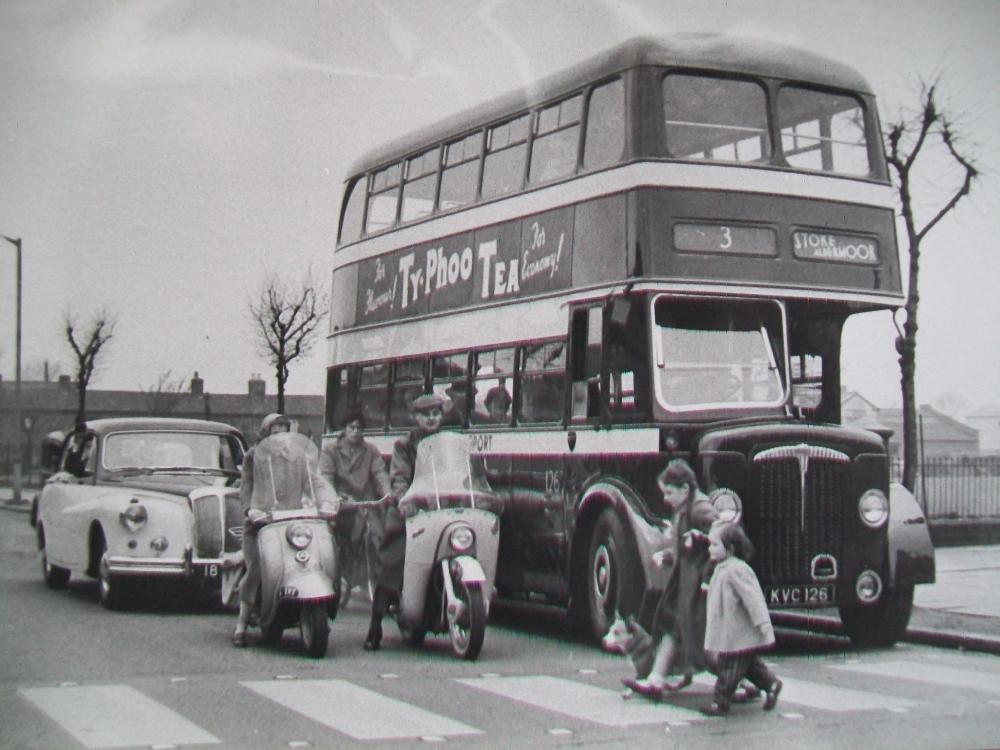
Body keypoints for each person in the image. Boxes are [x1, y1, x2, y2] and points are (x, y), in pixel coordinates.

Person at [232, 413, 339, 646]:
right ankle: (241, 625)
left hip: (290, 523)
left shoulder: (297, 457)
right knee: (257, 568)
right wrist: (250, 510)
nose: (280, 437)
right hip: (261, 524)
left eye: (284, 431)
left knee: (315, 556)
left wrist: (327, 499)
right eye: (275, 432)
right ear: (265, 434)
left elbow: (315, 481)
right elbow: (246, 486)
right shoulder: (253, 457)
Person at [626, 458, 718, 697]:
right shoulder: (684, 509)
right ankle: (656, 679)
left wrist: (707, 577)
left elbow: (720, 539)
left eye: (669, 493)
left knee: (704, 639)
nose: (665, 499)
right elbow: (683, 548)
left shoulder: (700, 509)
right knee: (673, 628)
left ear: (685, 489)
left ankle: (746, 681)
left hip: (697, 586)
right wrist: (667, 556)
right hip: (686, 585)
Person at [364, 393, 445, 651]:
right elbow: (399, 476)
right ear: (416, 417)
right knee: (393, 559)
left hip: (440, 508)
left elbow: (461, 471)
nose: (431, 419)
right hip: (410, 507)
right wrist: (403, 499)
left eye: (435, 414)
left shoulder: (448, 442)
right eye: (425, 414)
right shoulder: (404, 445)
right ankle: (375, 625)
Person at [699, 521, 782, 716]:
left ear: (730, 548)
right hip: (732, 630)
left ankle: (720, 702)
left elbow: (752, 598)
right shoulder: (723, 567)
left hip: (737, 631)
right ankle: (771, 684)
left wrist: (762, 622)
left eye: (714, 544)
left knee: (729, 666)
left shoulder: (736, 570)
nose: (710, 548)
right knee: (749, 665)